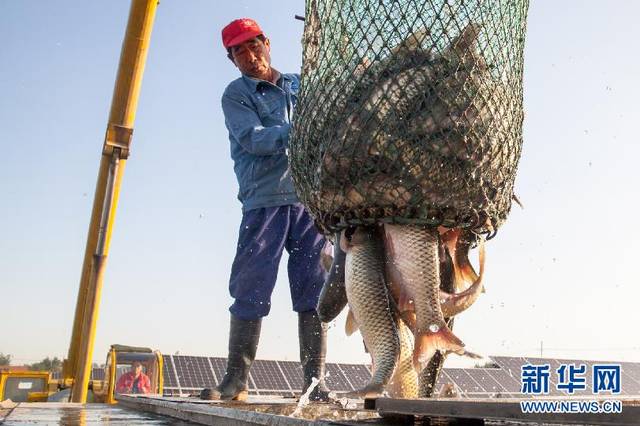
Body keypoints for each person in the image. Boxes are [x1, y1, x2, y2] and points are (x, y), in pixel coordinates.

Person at [199, 18, 330, 402]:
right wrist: (305, 130)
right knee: (250, 287)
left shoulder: (300, 85)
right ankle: (235, 380)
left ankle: (314, 383)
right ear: (232, 59)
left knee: (315, 291)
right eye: (238, 51)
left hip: (308, 204)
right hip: (264, 202)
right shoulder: (236, 95)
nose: (248, 55)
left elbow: (331, 115)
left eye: (253, 45)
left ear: (267, 43)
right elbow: (253, 139)